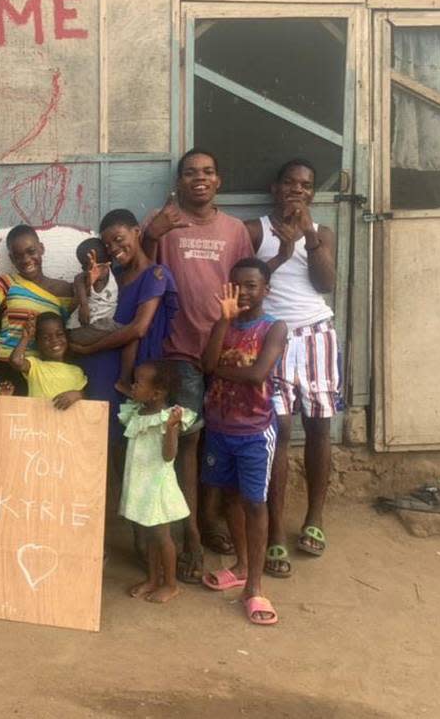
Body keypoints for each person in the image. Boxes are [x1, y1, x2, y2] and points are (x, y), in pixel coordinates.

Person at [142, 149, 254, 583]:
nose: (199, 179)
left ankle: (209, 520)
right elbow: (141, 275)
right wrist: (151, 236)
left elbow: (245, 286)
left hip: (224, 351)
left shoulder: (234, 230)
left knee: (221, 441)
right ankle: (187, 534)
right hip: (180, 350)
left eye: (207, 172)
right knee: (186, 442)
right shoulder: (164, 221)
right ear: (179, 182)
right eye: (190, 173)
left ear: (219, 181)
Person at [245, 159, 339, 577]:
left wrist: (309, 236)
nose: (297, 190)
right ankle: (276, 533)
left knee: (319, 426)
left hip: (317, 336)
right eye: (290, 183)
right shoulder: (255, 231)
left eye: (306, 185)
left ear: (312, 194)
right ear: (275, 187)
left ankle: (315, 518)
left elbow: (326, 284)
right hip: (273, 339)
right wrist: (282, 252)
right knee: (277, 431)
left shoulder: (323, 233)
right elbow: (248, 282)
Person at [199, 260, 288, 626]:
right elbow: (206, 362)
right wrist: (223, 319)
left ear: (266, 289)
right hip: (221, 428)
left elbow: (256, 375)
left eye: (252, 286)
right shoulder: (224, 325)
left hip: (253, 432)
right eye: (238, 286)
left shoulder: (274, 328)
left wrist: (219, 370)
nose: (244, 293)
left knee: (254, 503)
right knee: (232, 498)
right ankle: (240, 565)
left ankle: (254, 586)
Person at [71, 210, 180, 440]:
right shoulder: (114, 274)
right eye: (107, 244)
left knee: (122, 441)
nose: (113, 248)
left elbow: (139, 328)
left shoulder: (155, 275)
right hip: (96, 368)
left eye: (118, 239)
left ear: (137, 232)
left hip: (131, 375)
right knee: (92, 440)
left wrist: (90, 348)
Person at [119, 360, 196, 605]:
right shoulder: (137, 412)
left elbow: (168, 456)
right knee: (151, 535)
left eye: (138, 383)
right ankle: (153, 579)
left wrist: (172, 429)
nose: (133, 385)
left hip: (157, 486)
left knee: (163, 537)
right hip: (141, 485)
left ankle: (170, 584)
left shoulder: (167, 418)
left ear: (157, 393)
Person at [0, 225, 74, 394]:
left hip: (37, 370)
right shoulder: (7, 282)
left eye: (31, 251)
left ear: (42, 248)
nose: (26, 259)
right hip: (0, 365)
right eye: (18, 256)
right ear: (11, 258)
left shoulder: (64, 291)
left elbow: (69, 330)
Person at [67, 238, 137, 395]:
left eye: (94, 265)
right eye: (84, 266)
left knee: (133, 334)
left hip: (96, 327)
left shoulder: (113, 276)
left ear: (108, 264)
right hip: (83, 329)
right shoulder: (85, 278)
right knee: (131, 334)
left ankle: (124, 379)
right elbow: (79, 281)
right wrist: (84, 304)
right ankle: (124, 382)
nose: (89, 270)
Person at [9, 312, 87, 409]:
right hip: (37, 420)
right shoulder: (35, 365)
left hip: (68, 423)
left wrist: (78, 394)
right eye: (46, 338)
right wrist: (26, 337)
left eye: (59, 334)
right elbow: (16, 360)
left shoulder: (76, 371)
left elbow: (87, 398)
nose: (54, 340)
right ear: (38, 342)